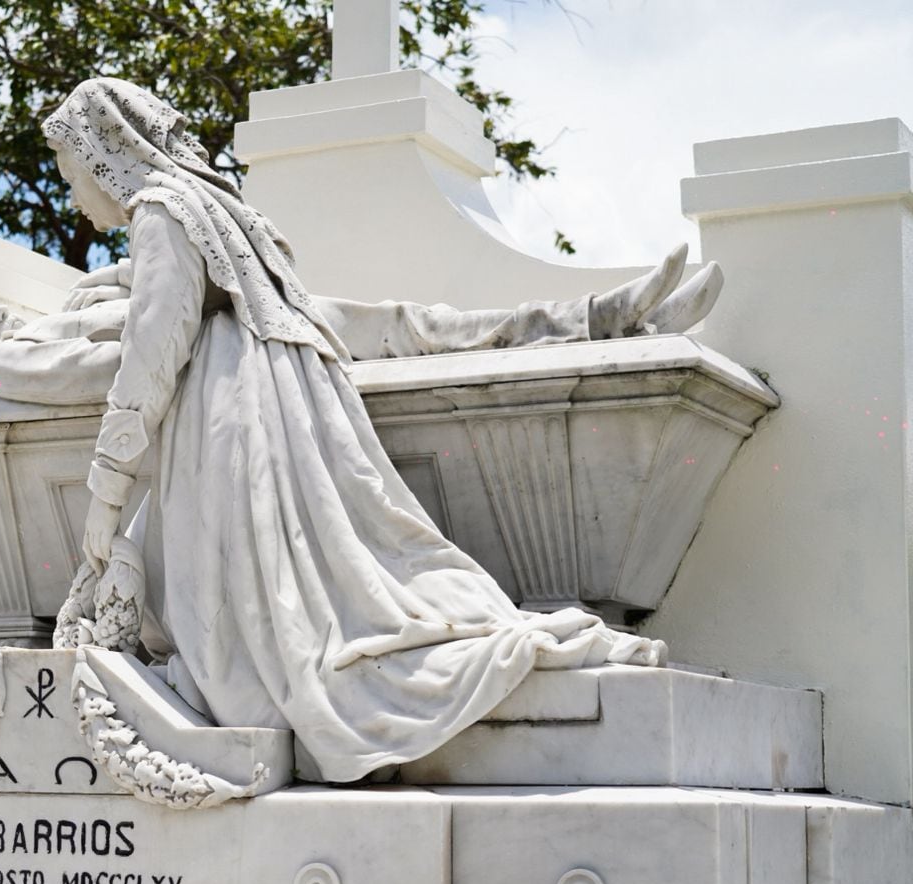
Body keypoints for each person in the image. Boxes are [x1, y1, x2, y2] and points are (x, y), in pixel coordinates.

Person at [42, 78, 716, 782]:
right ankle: (587, 320)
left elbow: (150, 358)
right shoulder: (221, 217)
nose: (73, 199)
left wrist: (106, 493)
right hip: (295, 404)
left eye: (71, 175)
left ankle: (589, 321)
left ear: (103, 156)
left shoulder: (162, 212)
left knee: (271, 639)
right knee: (402, 339)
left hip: (236, 423)